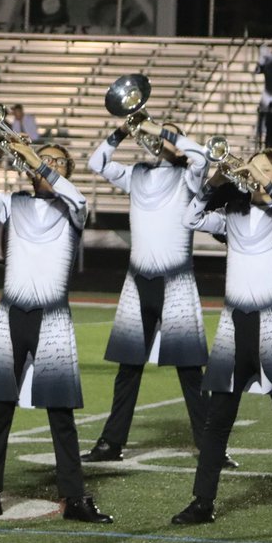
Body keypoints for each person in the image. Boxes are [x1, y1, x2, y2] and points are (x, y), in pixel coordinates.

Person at [0, 141, 113, 524]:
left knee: (60, 413)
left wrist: (38, 161)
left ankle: (74, 498)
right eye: (44, 158)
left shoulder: (73, 208)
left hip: (52, 319)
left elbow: (76, 196)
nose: (48, 164)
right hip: (10, 315)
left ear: (67, 169)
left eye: (57, 161)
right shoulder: (14, 203)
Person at [172, 149, 272, 531]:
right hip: (233, 328)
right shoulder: (234, 214)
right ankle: (202, 502)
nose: (253, 173)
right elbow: (190, 218)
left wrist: (262, 183)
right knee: (217, 424)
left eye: (264, 169)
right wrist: (215, 182)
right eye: (252, 167)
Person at [79, 121, 221, 465]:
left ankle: (211, 446)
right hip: (138, 282)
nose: (158, 138)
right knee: (128, 369)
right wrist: (119, 134)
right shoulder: (137, 174)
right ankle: (111, 443)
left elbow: (202, 156)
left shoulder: (189, 176)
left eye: (167, 135)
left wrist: (162, 130)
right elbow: (96, 163)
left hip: (177, 283)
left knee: (190, 371)